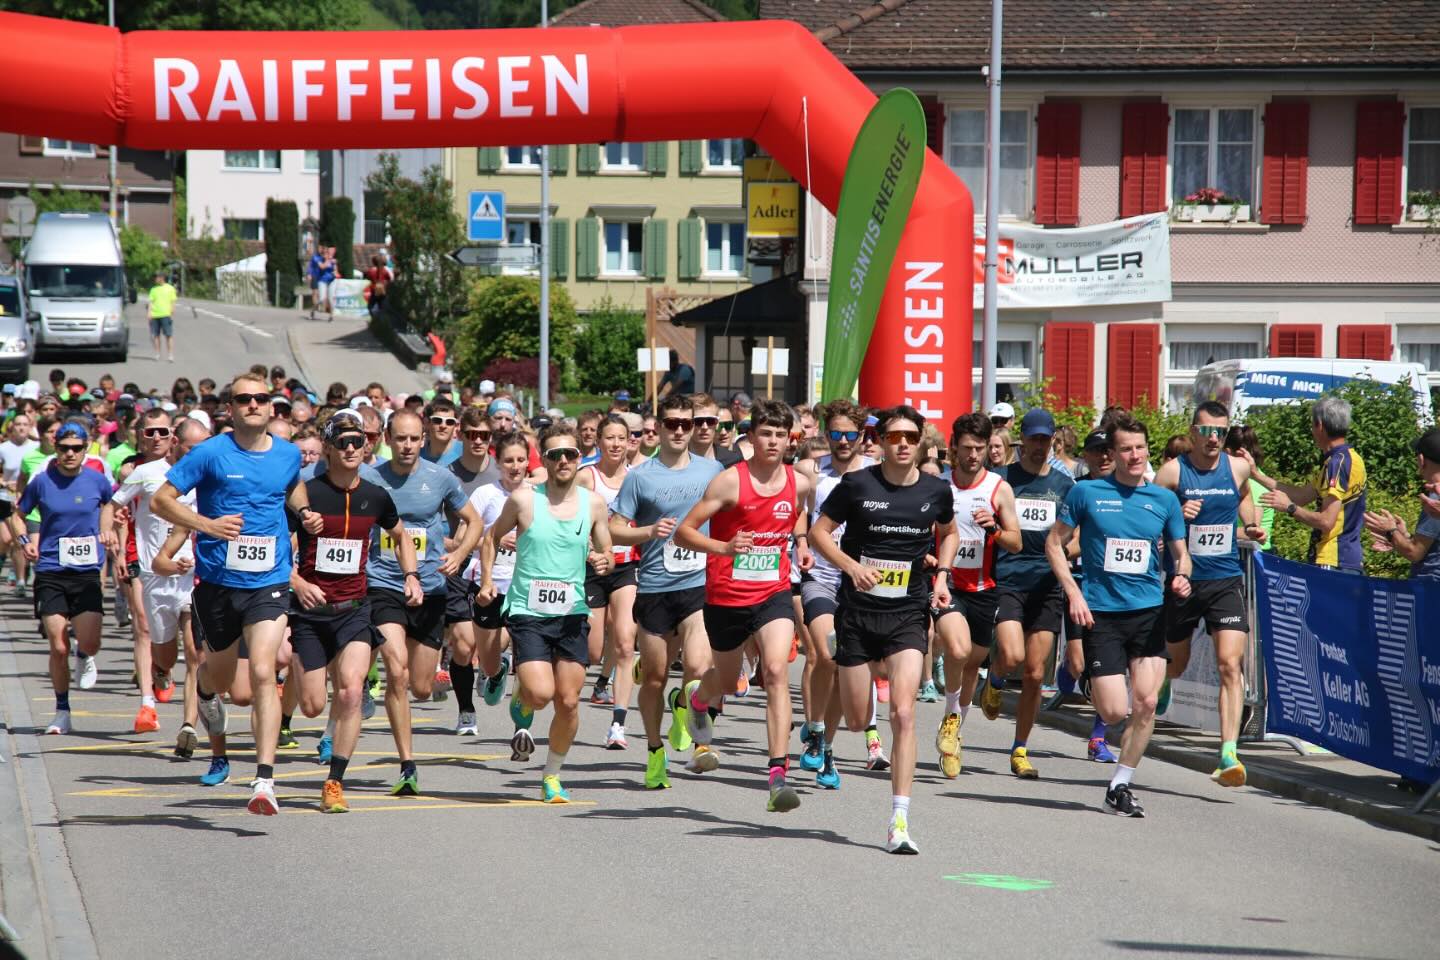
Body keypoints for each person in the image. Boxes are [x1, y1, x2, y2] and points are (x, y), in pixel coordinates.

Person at [152, 374, 323, 815]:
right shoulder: (210, 453)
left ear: (271, 406)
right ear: (230, 408)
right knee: (221, 678)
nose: (253, 404)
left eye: (260, 398)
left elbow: (291, 484)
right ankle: (206, 694)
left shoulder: (287, 453)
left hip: (269, 580)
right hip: (218, 585)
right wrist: (206, 525)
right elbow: (161, 500)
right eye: (243, 399)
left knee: (264, 670)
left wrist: (304, 511)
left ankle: (264, 779)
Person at [810, 406, 957, 854]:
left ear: (921, 441)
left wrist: (942, 575)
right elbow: (819, 533)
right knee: (858, 720)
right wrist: (851, 567)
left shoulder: (936, 489)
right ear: (881, 441)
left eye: (911, 436)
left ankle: (899, 820)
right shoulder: (857, 484)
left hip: (908, 612)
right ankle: (839, 705)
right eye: (895, 437)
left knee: (904, 713)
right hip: (858, 613)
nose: (903, 444)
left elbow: (949, 533)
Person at [1046, 416, 1191, 818]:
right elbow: (1054, 544)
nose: (1134, 455)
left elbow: (1182, 554)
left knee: (1147, 702)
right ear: (1113, 453)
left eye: (1140, 448)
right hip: (1102, 614)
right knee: (1113, 712)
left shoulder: (1163, 500)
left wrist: (1182, 576)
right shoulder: (1087, 493)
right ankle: (1087, 680)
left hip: (1148, 614)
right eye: (1126, 449)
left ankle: (1120, 785)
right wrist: (1074, 592)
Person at [675, 399, 814, 813]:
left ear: (789, 440)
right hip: (727, 597)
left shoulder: (799, 482)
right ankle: (698, 700)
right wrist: (724, 547)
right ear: (751, 437)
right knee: (727, 680)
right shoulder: (728, 483)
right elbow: (683, 532)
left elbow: (798, 515)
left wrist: (800, 541)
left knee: (776, 671)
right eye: (765, 434)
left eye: (780, 435)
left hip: (774, 592)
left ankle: (777, 775)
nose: (773, 442)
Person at [477, 424, 614, 803]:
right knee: (541, 695)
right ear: (546, 460)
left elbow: (607, 548)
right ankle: (523, 694)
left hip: (572, 613)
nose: (564, 460)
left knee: (568, 702)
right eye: (555, 455)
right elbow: (490, 538)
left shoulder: (593, 504)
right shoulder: (524, 500)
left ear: (579, 458)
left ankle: (551, 776)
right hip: (528, 610)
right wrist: (487, 580)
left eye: (570, 454)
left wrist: (604, 560)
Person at [291, 412, 419, 813]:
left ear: (367, 447)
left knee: (349, 691)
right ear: (328, 449)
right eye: (342, 442)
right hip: (311, 612)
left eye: (357, 442)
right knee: (312, 705)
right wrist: (298, 583)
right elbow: (278, 547)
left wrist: (411, 575)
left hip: (355, 610)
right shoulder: (307, 495)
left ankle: (334, 782)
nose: (351, 448)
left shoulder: (376, 496)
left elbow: (401, 535)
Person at [610, 394, 726, 787]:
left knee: (698, 666)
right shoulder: (640, 476)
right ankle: (655, 749)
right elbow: (613, 529)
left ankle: (695, 729)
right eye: (672, 424)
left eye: (686, 424)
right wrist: (647, 531)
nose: (679, 431)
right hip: (655, 588)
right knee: (655, 677)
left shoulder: (712, 470)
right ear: (658, 428)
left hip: (698, 584)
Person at [367, 409, 482, 795]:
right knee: (396, 670)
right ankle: (407, 764)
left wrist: (459, 553)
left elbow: (474, 521)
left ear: (423, 440)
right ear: (387, 438)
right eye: (400, 438)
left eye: (414, 439)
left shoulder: (440, 478)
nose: (407, 446)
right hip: (384, 584)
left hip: (431, 588)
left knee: (419, 686)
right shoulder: (372, 478)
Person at [1154, 401, 1265, 787]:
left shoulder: (1236, 467)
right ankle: (1165, 680)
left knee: (1230, 665)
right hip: (1184, 580)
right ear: (1193, 432)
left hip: (1226, 579)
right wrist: (1176, 511)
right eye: (1206, 431)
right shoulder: (1173, 471)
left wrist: (1251, 523)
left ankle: (1228, 754)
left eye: (1221, 431)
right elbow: (1147, 514)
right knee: (1177, 663)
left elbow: (1245, 495)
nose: (1214, 438)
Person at [795, 398, 887, 788]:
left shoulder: (876, 475)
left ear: (863, 435)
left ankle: (826, 745)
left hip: (861, 583)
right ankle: (816, 728)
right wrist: (802, 541)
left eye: (851, 434)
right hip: (821, 576)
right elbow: (799, 515)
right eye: (836, 433)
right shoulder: (811, 472)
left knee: (843, 663)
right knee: (826, 654)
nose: (843, 441)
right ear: (826, 434)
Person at [10, 421, 117, 735]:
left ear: (86, 449)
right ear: (55, 449)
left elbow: (110, 505)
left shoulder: (97, 480)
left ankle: (84, 654)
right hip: (51, 571)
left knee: (91, 642)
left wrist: (107, 529)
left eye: (76, 448)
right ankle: (62, 711)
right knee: (57, 646)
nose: (70, 454)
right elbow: (18, 515)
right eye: (64, 448)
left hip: (86, 573)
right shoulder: (42, 482)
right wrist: (24, 542)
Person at [940, 412, 1025, 778]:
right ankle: (950, 716)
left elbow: (1016, 542)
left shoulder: (998, 488)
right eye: (967, 448)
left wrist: (994, 530)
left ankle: (955, 731)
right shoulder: (939, 487)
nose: (973, 455)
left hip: (983, 588)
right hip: (946, 585)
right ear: (953, 448)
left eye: (979, 448)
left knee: (972, 662)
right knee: (957, 650)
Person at [1247, 396, 1367, 572]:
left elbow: (1326, 521)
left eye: (1312, 425)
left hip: (1333, 559)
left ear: (1319, 425)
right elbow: (1302, 496)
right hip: (1348, 558)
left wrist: (1290, 508)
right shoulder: (1350, 458)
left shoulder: (1337, 464)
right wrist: (1256, 474)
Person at [578, 416, 639, 744]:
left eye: (621, 438)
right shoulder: (586, 477)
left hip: (626, 567)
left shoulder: (637, 478)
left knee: (626, 642)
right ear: (599, 441)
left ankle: (618, 724)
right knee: (592, 651)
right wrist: (591, 552)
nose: (616, 444)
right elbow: (572, 522)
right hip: (591, 567)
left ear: (629, 441)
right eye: (609, 438)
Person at [442, 409, 500, 734]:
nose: (478, 441)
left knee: (494, 643)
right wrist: (452, 546)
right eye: (471, 434)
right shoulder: (447, 474)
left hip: (499, 567)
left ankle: (491, 666)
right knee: (463, 645)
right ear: (461, 435)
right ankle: (466, 709)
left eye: (484, 435)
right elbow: (430, 521)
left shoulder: (502, 472)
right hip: (460, 563)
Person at [1364, 427, 1440, 581]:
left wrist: (1390, 531)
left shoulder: (1435, 499)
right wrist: (1403, 536)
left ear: (1421, 460)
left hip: (1430, 586)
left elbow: (1414, 553)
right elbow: (1427, 546)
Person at [148, 271, 178, 363]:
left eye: (157, 277)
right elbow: (151, 302)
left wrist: (172, 311)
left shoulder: (170, 288)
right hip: (155, 315)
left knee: (168, 335)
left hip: (166, 315)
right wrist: (149, 313)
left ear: (162, 278)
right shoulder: (153, 289)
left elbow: (173, 301)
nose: (155, 279)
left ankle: (170, 355)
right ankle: (157, 353)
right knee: (156, 335)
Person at [422, 397, 462, 466]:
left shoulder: (466, 452)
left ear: (456, 426)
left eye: (450, 421)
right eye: (437, 420)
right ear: (427, 423)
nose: (443, 426)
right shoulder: (416, 454)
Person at [309, 245, 337, 320]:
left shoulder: (333, 261)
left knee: (331, 299)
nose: (326, 255)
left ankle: (331, 316)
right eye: (324, 254)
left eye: (327, 253)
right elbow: (322, 267)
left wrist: (334, 272)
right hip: (322, 281)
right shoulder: (318, 259)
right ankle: (313, 310)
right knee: (321, 299)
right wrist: (328, 260)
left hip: (332, 281)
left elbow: (335, 271)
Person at [364, 253, 392, 320]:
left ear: (373, 262)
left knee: (370, 306)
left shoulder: (371, 271)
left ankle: (375, 319)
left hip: (374, 291)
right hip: (383, 291)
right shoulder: (385, 270)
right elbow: (389, 279)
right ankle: (381, 319)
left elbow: (367, 277)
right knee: (382, 306)